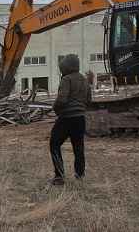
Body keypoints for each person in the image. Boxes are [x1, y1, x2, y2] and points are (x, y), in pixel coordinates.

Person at [49, 54, 91, 185]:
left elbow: (62, 99)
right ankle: (80, 175)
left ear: (66, 67)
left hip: (67, 118)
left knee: (54, 143)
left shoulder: (67, 79)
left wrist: (55, 108)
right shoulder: (84, 80)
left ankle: (59, 176)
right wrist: (81, 109)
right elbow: (89, 99)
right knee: (78, 147)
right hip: (80, 118)